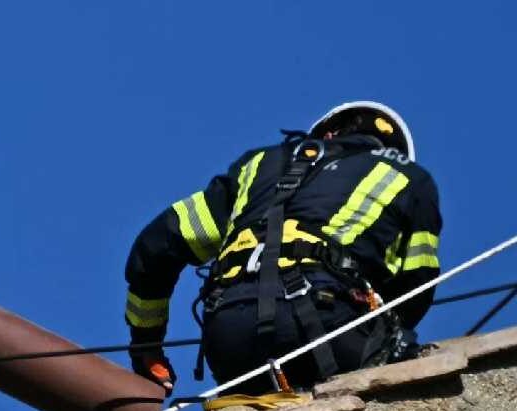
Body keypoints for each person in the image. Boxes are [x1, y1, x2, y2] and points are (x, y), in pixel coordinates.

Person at [123, 101, 442, 395]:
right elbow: (418, 283)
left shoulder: (258, 164)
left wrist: (145, 343)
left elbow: (156, 246)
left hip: (229, 332)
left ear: (326, 133)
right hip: (328, 325)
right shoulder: (410, 178)